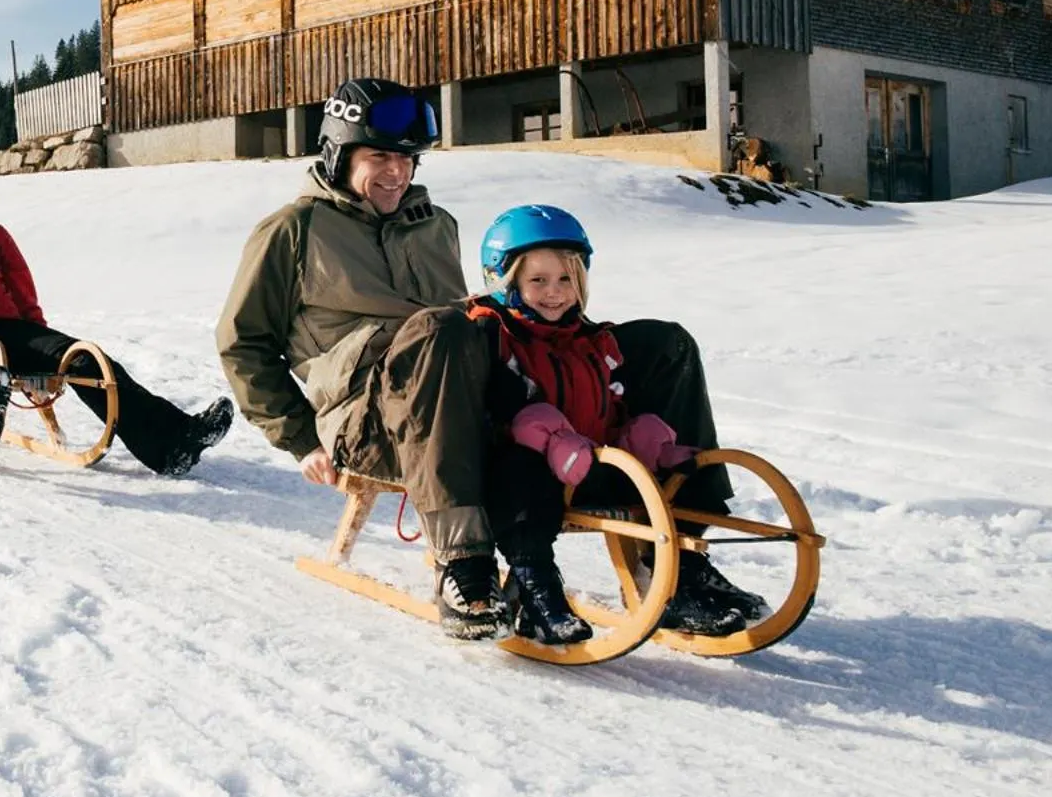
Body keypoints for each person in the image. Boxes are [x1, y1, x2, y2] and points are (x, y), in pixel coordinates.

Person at [216, 78, 514, 639]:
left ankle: (682, 547)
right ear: (337, 152)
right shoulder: (293, 230)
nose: (396, 173)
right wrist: (300, 437)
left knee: (644, 344)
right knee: (444, 327)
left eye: (407, 159)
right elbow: (242, 341)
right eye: (379, 156)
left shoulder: (436, 225)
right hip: (364, 421)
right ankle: (463, 564)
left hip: (452, 398)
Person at [469, 205, 770, 640]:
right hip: (526, 483)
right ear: (505, 280)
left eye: (566, 279)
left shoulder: (590, 339)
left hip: (591, 466)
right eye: (538, 281)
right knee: (519, 469)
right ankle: (535, 584)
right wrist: (547, 437)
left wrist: (646, 440)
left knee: (667, 462)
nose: (554, 292)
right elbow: (492, 416)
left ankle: (678, 570)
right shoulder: (492, 335)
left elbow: (609, 407)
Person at [0, 131, 234, 471]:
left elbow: (23, 295)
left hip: (5, 325)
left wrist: (41, 349)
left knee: (85, 357)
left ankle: (172, 442)